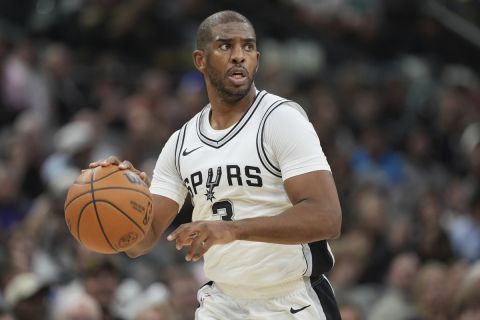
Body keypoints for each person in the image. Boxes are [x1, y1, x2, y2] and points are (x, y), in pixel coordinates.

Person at [90, 10, 342, 319]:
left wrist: (232, 230)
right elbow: (139, 243)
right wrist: (125, 201)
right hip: (223, 303)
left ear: (257, 59)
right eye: (225, 46)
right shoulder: (181, 143)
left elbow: (327, 218)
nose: (239, 55)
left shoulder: (280, 119)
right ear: (200, 60)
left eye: (247, 47)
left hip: (290, 300)